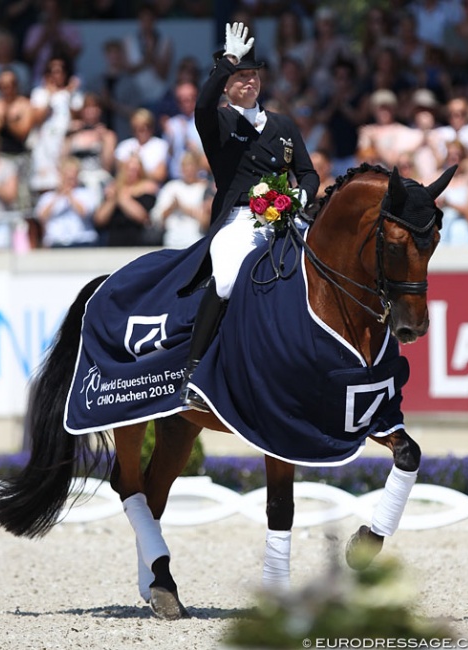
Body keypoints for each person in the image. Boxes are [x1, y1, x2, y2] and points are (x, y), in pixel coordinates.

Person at [180, 22, 319, 411]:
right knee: (224, 280)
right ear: (226, 84)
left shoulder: (283, 125)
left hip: (286, 217)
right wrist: (227, 61)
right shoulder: (219, 121)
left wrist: (298, 196)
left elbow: (307, 172)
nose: (249, 82)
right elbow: (202, 104)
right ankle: (193, 373)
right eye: (241, 77)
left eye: (253, 76)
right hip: (241, 219)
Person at [28, 54, 84, 196]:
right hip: (46, 143)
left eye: (60, 71)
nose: (56, 75)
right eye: (52, 71)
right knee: (46, 183)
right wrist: (49, 95)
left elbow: (78, 117)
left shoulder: (73, 93)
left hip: (65, 143)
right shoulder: (39, 93)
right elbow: (37, 118)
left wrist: (70, 93)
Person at [0, 68, 33, 210]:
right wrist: (9, 118)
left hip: (18, 158)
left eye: (10, 84)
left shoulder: (24, 104)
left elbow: (23, 132)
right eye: (2, 85)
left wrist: (3, 118)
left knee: (22, 200)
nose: (6, 89)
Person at [93, 152, 159, 247]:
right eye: (129, 169)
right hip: (114, 240)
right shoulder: (113, 188)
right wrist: (111, 200)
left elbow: (143, 217)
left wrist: (122, 198)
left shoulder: (148, 189)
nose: (132, 173)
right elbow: (99, 219)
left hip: (138, 240)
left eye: (135, 169)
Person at [63, 92, 117, 203]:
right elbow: (63, 160)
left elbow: (107, 165)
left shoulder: (108, 135)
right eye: (88, 108)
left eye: (95, 108)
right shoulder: (73, 134)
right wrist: (68, 134)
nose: (91, 112)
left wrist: (104, 140)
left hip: (98, 181)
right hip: (77, 181)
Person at [34, 156, 99, 248]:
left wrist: (70, 196)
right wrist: (57, 196)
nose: (69, 180)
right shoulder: (48, 197)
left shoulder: (86, 194)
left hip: (82, 242)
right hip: (56, 243)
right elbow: (41, 217)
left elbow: (84, 213)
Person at [150, 150, 209, 248]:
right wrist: (171, 208)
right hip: (172, 241)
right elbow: (156, 218)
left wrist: (183, 207)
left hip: (196, 241)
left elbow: (205, 220)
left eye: (191, 166)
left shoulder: (204, 188)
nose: (188, 171)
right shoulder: (171, 187)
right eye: (185, 167)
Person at [114, 108, 169, 190]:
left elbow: (160, 175)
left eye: (146, 127)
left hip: (150, 190)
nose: (143, 131)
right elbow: (121, 174)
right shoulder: (123, 146)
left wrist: (137, 170)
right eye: (138, 128)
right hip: (127, 189)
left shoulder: (161, 145)